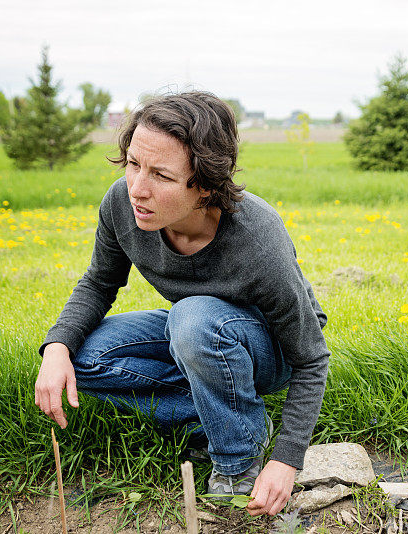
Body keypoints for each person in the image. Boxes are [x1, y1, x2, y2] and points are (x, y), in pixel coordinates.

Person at [34, 91, 330, 517]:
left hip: (270, 348)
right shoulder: (121, 204)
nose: (137, 188)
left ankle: (237, 458)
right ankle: (236, 415)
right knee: (80, 362)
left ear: (205, 185)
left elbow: (311, 359)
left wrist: (286, 459)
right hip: (198, 332)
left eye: (161, 176)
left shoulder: (257, 239)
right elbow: (99, 283)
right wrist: (57, 348)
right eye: (134, 164)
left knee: (192, 316)